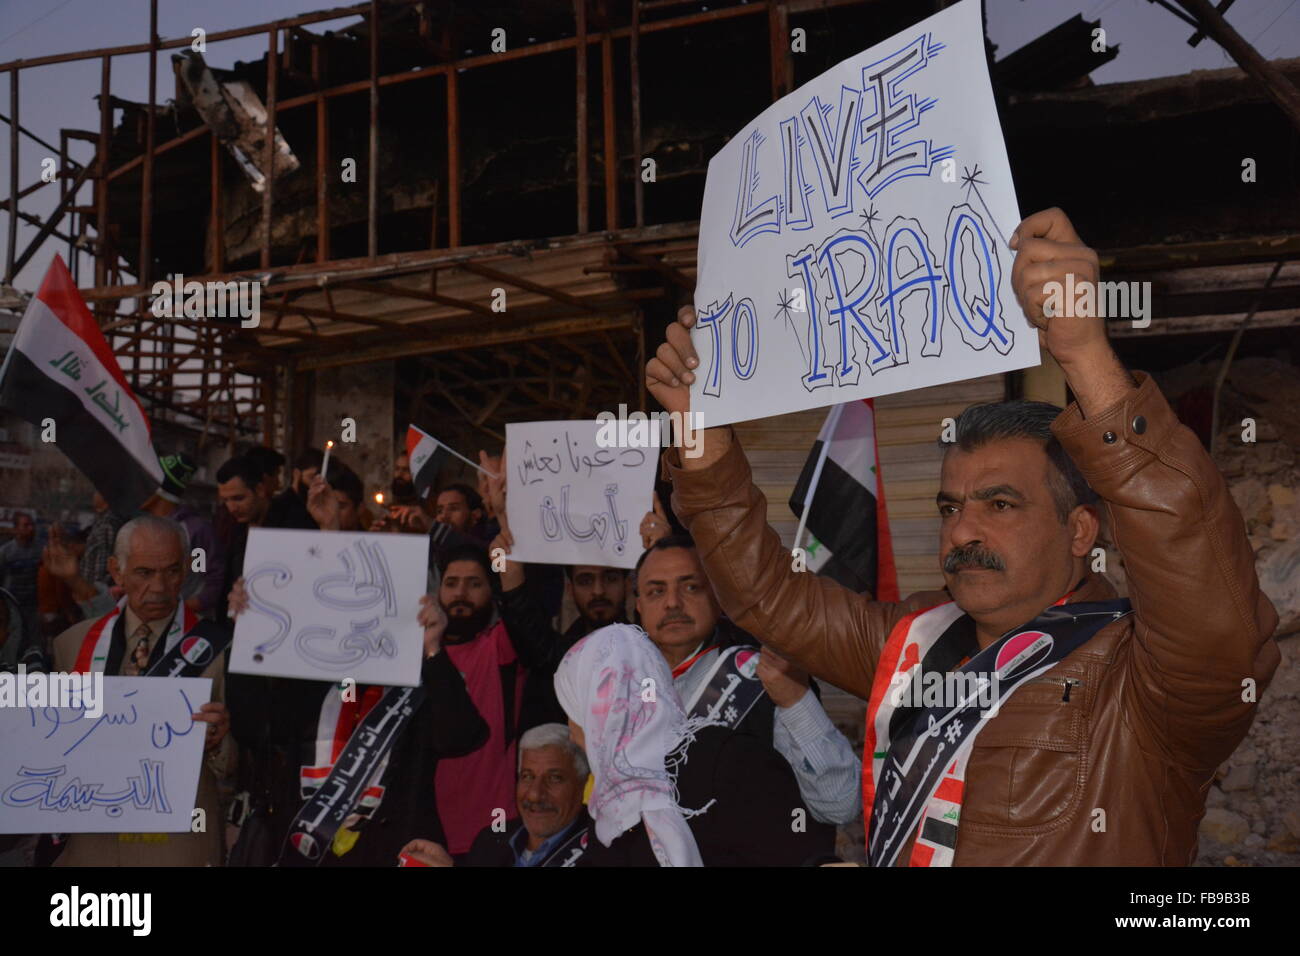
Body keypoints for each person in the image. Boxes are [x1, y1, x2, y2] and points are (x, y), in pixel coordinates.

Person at [645, 206, 1281, 866]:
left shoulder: (1141, 683)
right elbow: (766, 599)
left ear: (1079, 529)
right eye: (950, 506)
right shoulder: (912, 643)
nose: (963, 530)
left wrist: (1083, 353)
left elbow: (1212, 611)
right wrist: (701, 430)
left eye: (1000, 504)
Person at [225, 580, 487, 866]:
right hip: (305, 851)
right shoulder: (310, 682)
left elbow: (461, 737)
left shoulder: (421, 687)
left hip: (392, 852)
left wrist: (433, 648)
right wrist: (246, 632)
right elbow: (251, 725)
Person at [632, 535, 858, 831]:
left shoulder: (762, 677)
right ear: (637, 604)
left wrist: (794, 699)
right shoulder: (617, 686)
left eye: (691, 587)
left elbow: (841, 804)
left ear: (717, 594)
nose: (673, 602)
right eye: (656, 591)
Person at [559, 623, 828, 866]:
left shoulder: (731, 761)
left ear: (599, 709)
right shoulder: (610, 806)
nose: (572, 734)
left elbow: (800, 853)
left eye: (572, 713)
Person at [49, 515, 232, 866]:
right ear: (116, 571)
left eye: (172, 571)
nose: (161, 587)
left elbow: (242, 762)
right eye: (145, 573)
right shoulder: (70, 645)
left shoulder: (220, 649)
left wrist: (221, 740)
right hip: (94, 843)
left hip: (177, 842)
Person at [401, 722, 592, 867]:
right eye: (527, 776)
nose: (535, 794)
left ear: (582, 783)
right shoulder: (491, 840)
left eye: (555, 778)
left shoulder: (603, 850)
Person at [143, 453, 225, 618]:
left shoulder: (194, 531)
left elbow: (204, 578)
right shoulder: (142, 528)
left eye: (145, 483)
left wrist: (180, 611)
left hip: (188, 629)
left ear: (160, 490)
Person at [0, 512, 40, 645]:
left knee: (32, 642)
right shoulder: (5, 552)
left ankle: (29, 666)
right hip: (11, 606)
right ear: (16, 528)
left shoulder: (39, 550)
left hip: (33, 606)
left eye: (32, 525)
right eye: (26, 525)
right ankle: (16, 667)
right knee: (14, 642)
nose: (31, 528)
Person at [79, 491, 122, 589]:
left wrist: (95, 593)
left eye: (98, 491)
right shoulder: (101, 521)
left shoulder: (107, 524)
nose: (94, 495)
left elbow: (102, 567)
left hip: (94, 593)